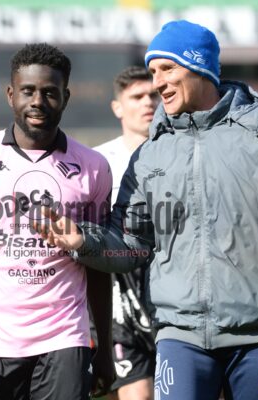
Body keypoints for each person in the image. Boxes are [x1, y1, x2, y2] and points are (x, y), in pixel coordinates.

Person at [36, 20, 258, 400]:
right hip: (179, 335)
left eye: (167, 69)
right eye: (152, 71)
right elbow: (131, 243)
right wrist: (85, 241)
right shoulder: (151, 154)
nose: (157, 83)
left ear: (198, 66)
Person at [0, 43, 115, 400]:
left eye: (50, 92)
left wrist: (104, 349)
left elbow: (98, 265)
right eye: (28, 91)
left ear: (66, 97)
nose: (38, 102)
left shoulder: (93, 167)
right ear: (10, 94)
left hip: (65, 338)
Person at [93, 66, 159, 400]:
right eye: (137, 96)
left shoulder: (182, 153)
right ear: (117, 107)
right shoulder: (99, 162)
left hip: (175, 289)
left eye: (153, 95)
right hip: (121, 294)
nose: (148, 102)